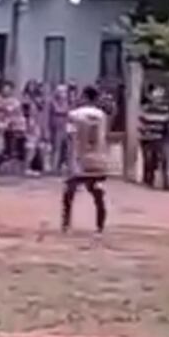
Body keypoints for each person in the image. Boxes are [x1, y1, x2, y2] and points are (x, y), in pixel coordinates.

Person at [62, 85, 109, 234]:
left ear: (84, 97)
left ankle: (66, 224)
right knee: (96, 190)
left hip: (79, 157)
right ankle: (100, 226)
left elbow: (69, 134)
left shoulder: (74, 114)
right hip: (97, 156)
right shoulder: (102, 115)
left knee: (70, 191)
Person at [139, 85, 169, 189]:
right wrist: (143, 133)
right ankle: (149, 180)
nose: (158, 97)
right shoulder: (146, 108)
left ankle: (165, 183)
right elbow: (141, 123)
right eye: (156, 95)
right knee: (149, 161)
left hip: (160, 138)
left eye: (160, 95)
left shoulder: (165, 108)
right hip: (148, 138)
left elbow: (168, 122)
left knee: (163, 160)